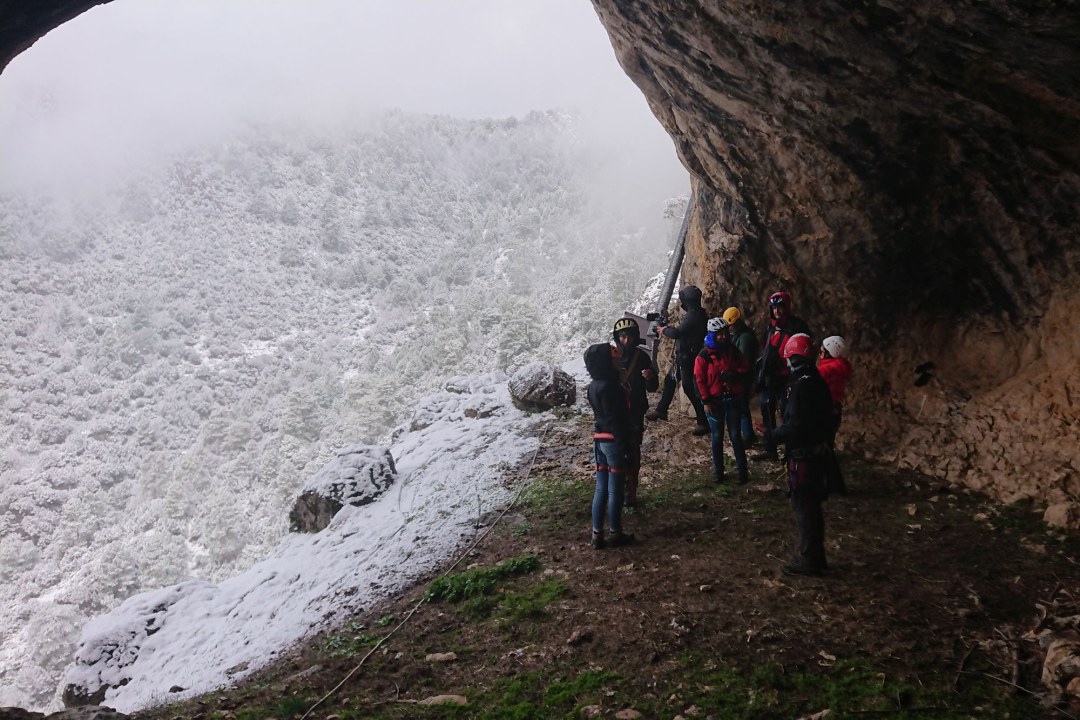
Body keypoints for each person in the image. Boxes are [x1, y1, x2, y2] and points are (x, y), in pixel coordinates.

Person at [763, 334, 834, 576]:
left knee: (805, 507)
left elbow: (796, 425)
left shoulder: (800, 386)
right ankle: (816, 556)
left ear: (792, 357)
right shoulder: (816, 380)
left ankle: (810, 559)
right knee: (812, 507)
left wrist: (772, 435)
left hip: (804, 456)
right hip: (817, 452)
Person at [584, 343, 635, 550]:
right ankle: (615, 532)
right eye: (613, 358)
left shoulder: (593, 386)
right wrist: (626, 449)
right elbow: (617, 420)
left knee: (601, 489)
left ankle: (597, 534)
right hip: (614, 441)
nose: (617, 360)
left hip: (600, 440)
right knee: (615, 491)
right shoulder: (611, 387)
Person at [753, 291, 812, 461]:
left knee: (789, 413)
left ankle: (790, 450)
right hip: (771, 376)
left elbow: (804, 348)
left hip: (789, 376)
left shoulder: (797, 326)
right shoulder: (770, 327)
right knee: (767, 410)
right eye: (774, 308)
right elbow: (764, 349)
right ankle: (769, 447)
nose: (777, 311)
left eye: (779, 307)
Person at [646, 285, 709, 436]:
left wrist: (663, 330)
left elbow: (677, 333)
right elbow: (684, 330)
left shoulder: (693, 315)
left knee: (689, 387)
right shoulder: (698, 314)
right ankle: (662, 410)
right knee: (670, 381)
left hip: (688, 358)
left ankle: (703, 421)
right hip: (684, 357)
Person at [694, 318, 751, 484]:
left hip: (732, 398)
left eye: (725, 333)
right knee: (717, 436)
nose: (723, 337)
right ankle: (718, 471)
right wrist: (705, 402)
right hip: (714, 402)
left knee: (735, 435)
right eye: (719, 334)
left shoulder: (731, 350)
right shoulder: (703, 356)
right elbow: (699, 380)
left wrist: (736, 375)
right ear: (712, 335)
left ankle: (742, 472)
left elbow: (745, 367)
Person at [612, 317, 659, 507]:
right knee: (617, 451)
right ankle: (618, 490)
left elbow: (652, 387)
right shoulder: (611, 357)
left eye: (629, 336)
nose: (626, 341)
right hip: (616, 412)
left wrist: (650, 377)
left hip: (635, 412)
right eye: (622, 337)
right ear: (617, 338)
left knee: (632, 451)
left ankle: (630, 491)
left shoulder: (642, 358)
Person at [818, 335, 852, 495]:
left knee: (824, 450)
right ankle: (832, 485)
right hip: (834, 411)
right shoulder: (839, 367)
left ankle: (834, 486)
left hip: (826, 413)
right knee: (827, 448)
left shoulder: (827, 369)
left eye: (822, 350)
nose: (819, 352)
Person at [723, 306, 759, 448]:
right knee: (742, 408)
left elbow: (744, 360)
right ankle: (748, 435)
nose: (729, 329)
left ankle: (748, 437)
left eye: (730, 326)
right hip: (742, 376)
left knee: (742, 408)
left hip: (743, 378)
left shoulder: (745, 338)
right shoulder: (740, 335)